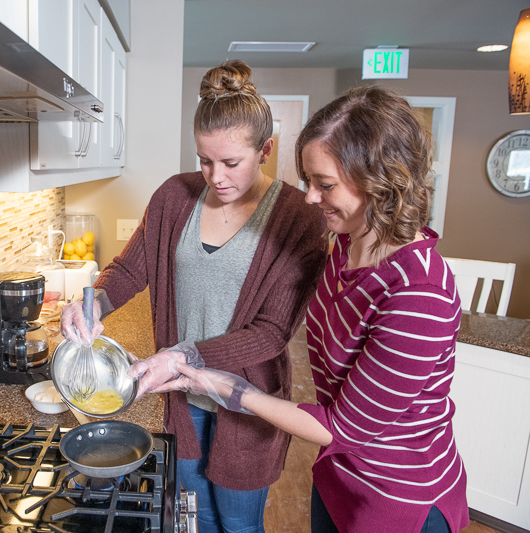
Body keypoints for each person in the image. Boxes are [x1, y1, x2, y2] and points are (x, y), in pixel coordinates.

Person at [155, 86, 470, 533]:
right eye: (308, 182)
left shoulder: (420, 293)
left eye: (324, 185)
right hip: (340, 476)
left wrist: (229, 387)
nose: (308, 198)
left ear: (382, 181)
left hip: (398, 497)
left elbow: (344, 428)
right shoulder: (345, 245)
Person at [60, 59, 327, 533]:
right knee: (195, 518)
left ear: (265, 149)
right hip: (182, 402)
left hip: (248, 405)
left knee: (240, 524)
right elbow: (127, 271)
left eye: (231, 162)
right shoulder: (174, 197)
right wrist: (92, 305)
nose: (215, 176)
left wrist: (181, 356)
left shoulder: (297, 219)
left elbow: (269, 334)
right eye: (204, 160)